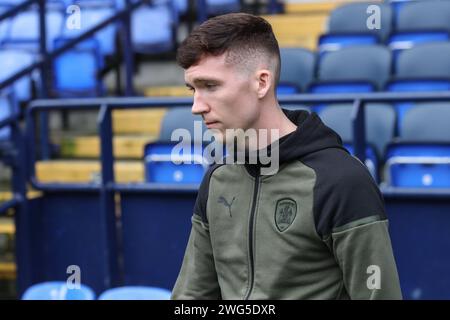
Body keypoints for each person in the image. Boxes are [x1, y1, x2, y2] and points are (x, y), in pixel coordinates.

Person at [171, 12, 402, 299]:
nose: (196, 106)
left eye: (210, 86)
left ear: (261, 83)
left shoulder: (341, 180)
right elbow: (192, 298)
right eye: (192, 89)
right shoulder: (218, 177)